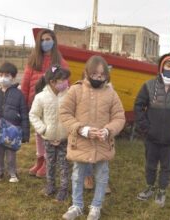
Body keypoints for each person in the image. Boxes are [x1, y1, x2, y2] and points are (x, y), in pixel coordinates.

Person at [59, 55, 125, 220]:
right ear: (87, 72)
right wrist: (81, 129)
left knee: (102, 175)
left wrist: (108, 130)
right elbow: (65, 113)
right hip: (80, 142)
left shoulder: (111, 93)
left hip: (103, 143)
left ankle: (96, 206)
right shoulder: (75, 90)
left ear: (106, 76)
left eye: (102, 75)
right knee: (77, 175)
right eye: (95, 74)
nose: (98, 78)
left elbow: (119, 117)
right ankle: (77, 205)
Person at [134, 53, 170, 207]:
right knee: (150, 164)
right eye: (168, 65)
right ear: (162, 66)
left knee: (167, 167)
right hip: (151, 137)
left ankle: (162, 190)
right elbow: (139, 105)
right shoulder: (149, 85)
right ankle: (149, 187)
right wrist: (145, 127)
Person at [22, 29, 69, 178]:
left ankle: (49, 162)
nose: (45, 42)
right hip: (35, 102)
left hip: (53, 104)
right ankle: (40, 159)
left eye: (48, 39)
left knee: (49, 132)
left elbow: (66, 83)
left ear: (54, 41)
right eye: (42, 40)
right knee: (39, 132)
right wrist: (23, 102)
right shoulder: (33, 61)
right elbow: (25, 83)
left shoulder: (60, 62)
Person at [0, 62, 30, 183]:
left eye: (7, 75)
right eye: (1, 74)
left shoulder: (18, 94)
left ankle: (13, 173)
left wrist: (25, 133)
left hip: (12, 131)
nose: (3, 78)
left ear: (13, 77)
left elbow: (24, 114)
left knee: (11, 153)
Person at [29, 65, 71, 201]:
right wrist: (43, 130)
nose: (65, 83)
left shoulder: (70, 95)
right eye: (62, 80)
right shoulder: (41, 97)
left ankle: (64, 189)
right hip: (49, 138)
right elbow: (34, 115)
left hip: (65, 138)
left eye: (66, 80)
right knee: (50, 163)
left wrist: (70, 131)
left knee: (64, 165)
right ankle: (50, 186)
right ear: (52, 82)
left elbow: (75, 114)